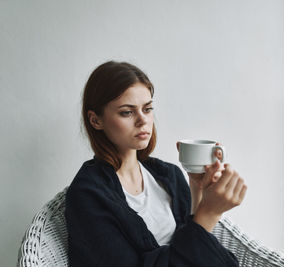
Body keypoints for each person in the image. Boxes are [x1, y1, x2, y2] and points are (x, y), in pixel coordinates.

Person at [65, 61, 248, 267]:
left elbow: (190, 246)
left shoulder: (168, 175)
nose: (143, 120)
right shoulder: (87, 194)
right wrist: (209, 213)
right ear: (95, 120)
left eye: (148, 108)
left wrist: (197, 190)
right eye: (127, 112)